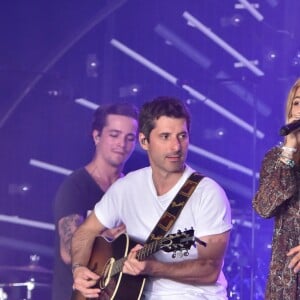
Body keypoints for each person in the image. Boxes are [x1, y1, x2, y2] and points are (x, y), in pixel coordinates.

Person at [70, 96, 232, 300]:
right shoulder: (127, 187)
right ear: (144, 141)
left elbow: (210, 270)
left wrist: (153, 267)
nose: (176, 146)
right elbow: (84, 232)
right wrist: (78, 269)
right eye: (165, 136)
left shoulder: (207, 193)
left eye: (182, 136)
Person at [52, 102, 139, 300]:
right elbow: (68, 251)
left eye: (129, 138)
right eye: (114, 135)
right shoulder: (75, 186)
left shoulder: (133, 191)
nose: (122, 144)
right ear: (96, 136)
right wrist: (108, 234)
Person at [253, 78, 300, 299]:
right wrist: (289, 150)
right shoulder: (275, 158)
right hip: (285, 279)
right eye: (297, 103)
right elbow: (264, 208)